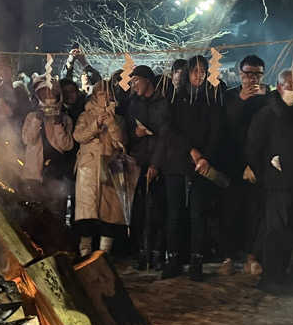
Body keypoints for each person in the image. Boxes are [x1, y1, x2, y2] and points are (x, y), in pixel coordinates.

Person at [246, 69, 293, 292]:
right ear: (279, 86)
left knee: (292, 230)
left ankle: (282, 273)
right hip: (276, 183)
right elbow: (253, 146)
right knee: (275, 231)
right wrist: (267, 163)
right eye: (289, 85)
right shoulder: (268, 113)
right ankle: (271, 277)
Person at [155, 54, 222, 280]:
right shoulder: (174, 99)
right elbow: (167, 130)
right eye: (195, 71)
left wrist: (205, 157)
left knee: (197, 214)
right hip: (176, 163)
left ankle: (196, 261)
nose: (199, 75)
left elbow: (215, 132)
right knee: (174, 213)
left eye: (203, 71)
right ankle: (173, 258)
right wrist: (190, 150)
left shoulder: (210, 100)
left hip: (201, 165)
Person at [73, 80, 132, 257]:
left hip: (110, 167)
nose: (104, 97)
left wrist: (112, 124)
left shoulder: (119, 117)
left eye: (107, 94)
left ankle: (104, 254)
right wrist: (95, 125)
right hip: (88, 169)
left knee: (109, 212)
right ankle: (85, 252)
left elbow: (122, 142)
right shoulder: (85, 115)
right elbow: (78, 136)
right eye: (100, 94)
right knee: (86, 212)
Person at [223, 55, 269, 274]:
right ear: (239, 74)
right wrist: (241, 100)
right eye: (247, 74)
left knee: (255, 211)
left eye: (256, 74)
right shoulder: (230, 95)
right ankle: (229, 256)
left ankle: (253, 256)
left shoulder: (269, 96)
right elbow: (225, 126)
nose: (252, 79)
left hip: (259, 163)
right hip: (233, 162)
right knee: (230, 211)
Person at [126, 65, 170, 269]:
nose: (134, 85)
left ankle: (158, 253)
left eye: (136, 80)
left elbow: (165, 135)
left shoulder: (162, 104)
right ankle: (142, 253)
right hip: (139, 162)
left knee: (157, 210)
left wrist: (156, 164)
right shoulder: (134, 103)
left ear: (147, 80)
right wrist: (137, 134)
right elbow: (129, 132)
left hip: (159, 162)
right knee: (141, 211)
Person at [20, 76, 75, 217]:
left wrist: (57, 124)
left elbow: (67, 145)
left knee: (55, 215)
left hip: (56, 175)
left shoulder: (65, 119)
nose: (48, 97)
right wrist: (37, 120)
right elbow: (28, 139)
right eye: (44, 94)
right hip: (34, 174)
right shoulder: (31, 116)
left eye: (51, 93)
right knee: (34, 214)